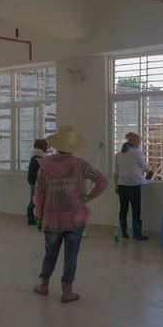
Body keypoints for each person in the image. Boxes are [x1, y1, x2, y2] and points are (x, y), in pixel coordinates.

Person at [33, 126, 108, 303]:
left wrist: (39, 215)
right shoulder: (80, 164)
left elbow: (39, 194)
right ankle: (67, 292)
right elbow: (102, 181)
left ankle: (43, 285)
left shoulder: (45, 166)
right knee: (71, 255)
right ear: (73, 147)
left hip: (52, 217)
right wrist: (89, 197)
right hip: (75, 217)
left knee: (50, 253)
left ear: (57, 146)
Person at [113, 132, 153, 240]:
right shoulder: (137, 153)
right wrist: (150, 171)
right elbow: (145, 167)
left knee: (123, 208)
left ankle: (124, 233)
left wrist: (116, 186)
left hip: (121, 184)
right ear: (135, 143)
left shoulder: (118, 154)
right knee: (136, 209)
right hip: (133, 184)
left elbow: (116, 173)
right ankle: (137, 234)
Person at [27, 139, 48, 226]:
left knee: (34, 199)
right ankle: (32, 219)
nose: (47, 147)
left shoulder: (35, 155)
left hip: (33, 180)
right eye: (46, 145)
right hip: (35, 181)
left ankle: (32, 219)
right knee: (35, 200)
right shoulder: (38, 157)